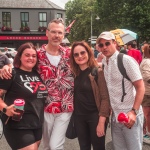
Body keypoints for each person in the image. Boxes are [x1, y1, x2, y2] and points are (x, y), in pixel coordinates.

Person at [0, 19, 74, 150]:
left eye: (60, 32)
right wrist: (7, 66)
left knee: (55, 145)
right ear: (47, 33)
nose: (56, 35)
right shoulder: (37, 55)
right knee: (46, 146)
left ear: (64, 35)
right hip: (44, 109)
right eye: (53, 32)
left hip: (65, 106)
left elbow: (87, 62)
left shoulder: (69, 54)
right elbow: (20, 65)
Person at [97, 31, 145, 150]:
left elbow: (141, 87)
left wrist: (134, 112)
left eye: (107, 43)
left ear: (115, 43)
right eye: (101, 45)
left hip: (130, 115)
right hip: (116, 117)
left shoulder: (126, 60)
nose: (104, 47)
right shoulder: (104, 62)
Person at [0, 42, 48, 150]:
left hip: (37, 124)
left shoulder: (38, 74)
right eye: (27, 55)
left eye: (34, 56)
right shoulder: (11, 74)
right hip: (17, 124)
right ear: (20, 57)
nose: (30, 58)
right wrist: (5, 108)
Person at [70, 41, 110, 150]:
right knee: (84, 147)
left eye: (83, 52)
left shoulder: (97, 72)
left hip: (95, 117)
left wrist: (102, 122)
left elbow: (105, 98)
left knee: (98, 147)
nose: (80, 56)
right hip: (79, 118)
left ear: (88, 52)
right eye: (76, 54)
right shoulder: (73, 74)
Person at [140, 43, 150, 144]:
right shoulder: (147, 61)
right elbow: (147, 77)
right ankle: (145, 134)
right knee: (147, 114)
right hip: (147, 92)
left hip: (147, 91)